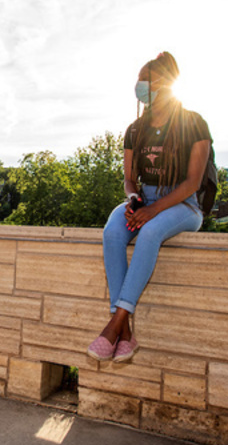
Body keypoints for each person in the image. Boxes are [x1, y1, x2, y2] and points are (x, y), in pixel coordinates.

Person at [88, 52, 212, 363]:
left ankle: (115, 323)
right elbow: (129, 179)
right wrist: (133, 200)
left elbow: (192, 183)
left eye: (148, 80)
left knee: (150, 232)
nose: (141, 86)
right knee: (113, 233)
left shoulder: (194, 124)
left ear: (168, 84)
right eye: (140, 80)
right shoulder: (135, 129)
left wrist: (153, 212)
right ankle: (126, 335)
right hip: (146, 199)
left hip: (183, 205)